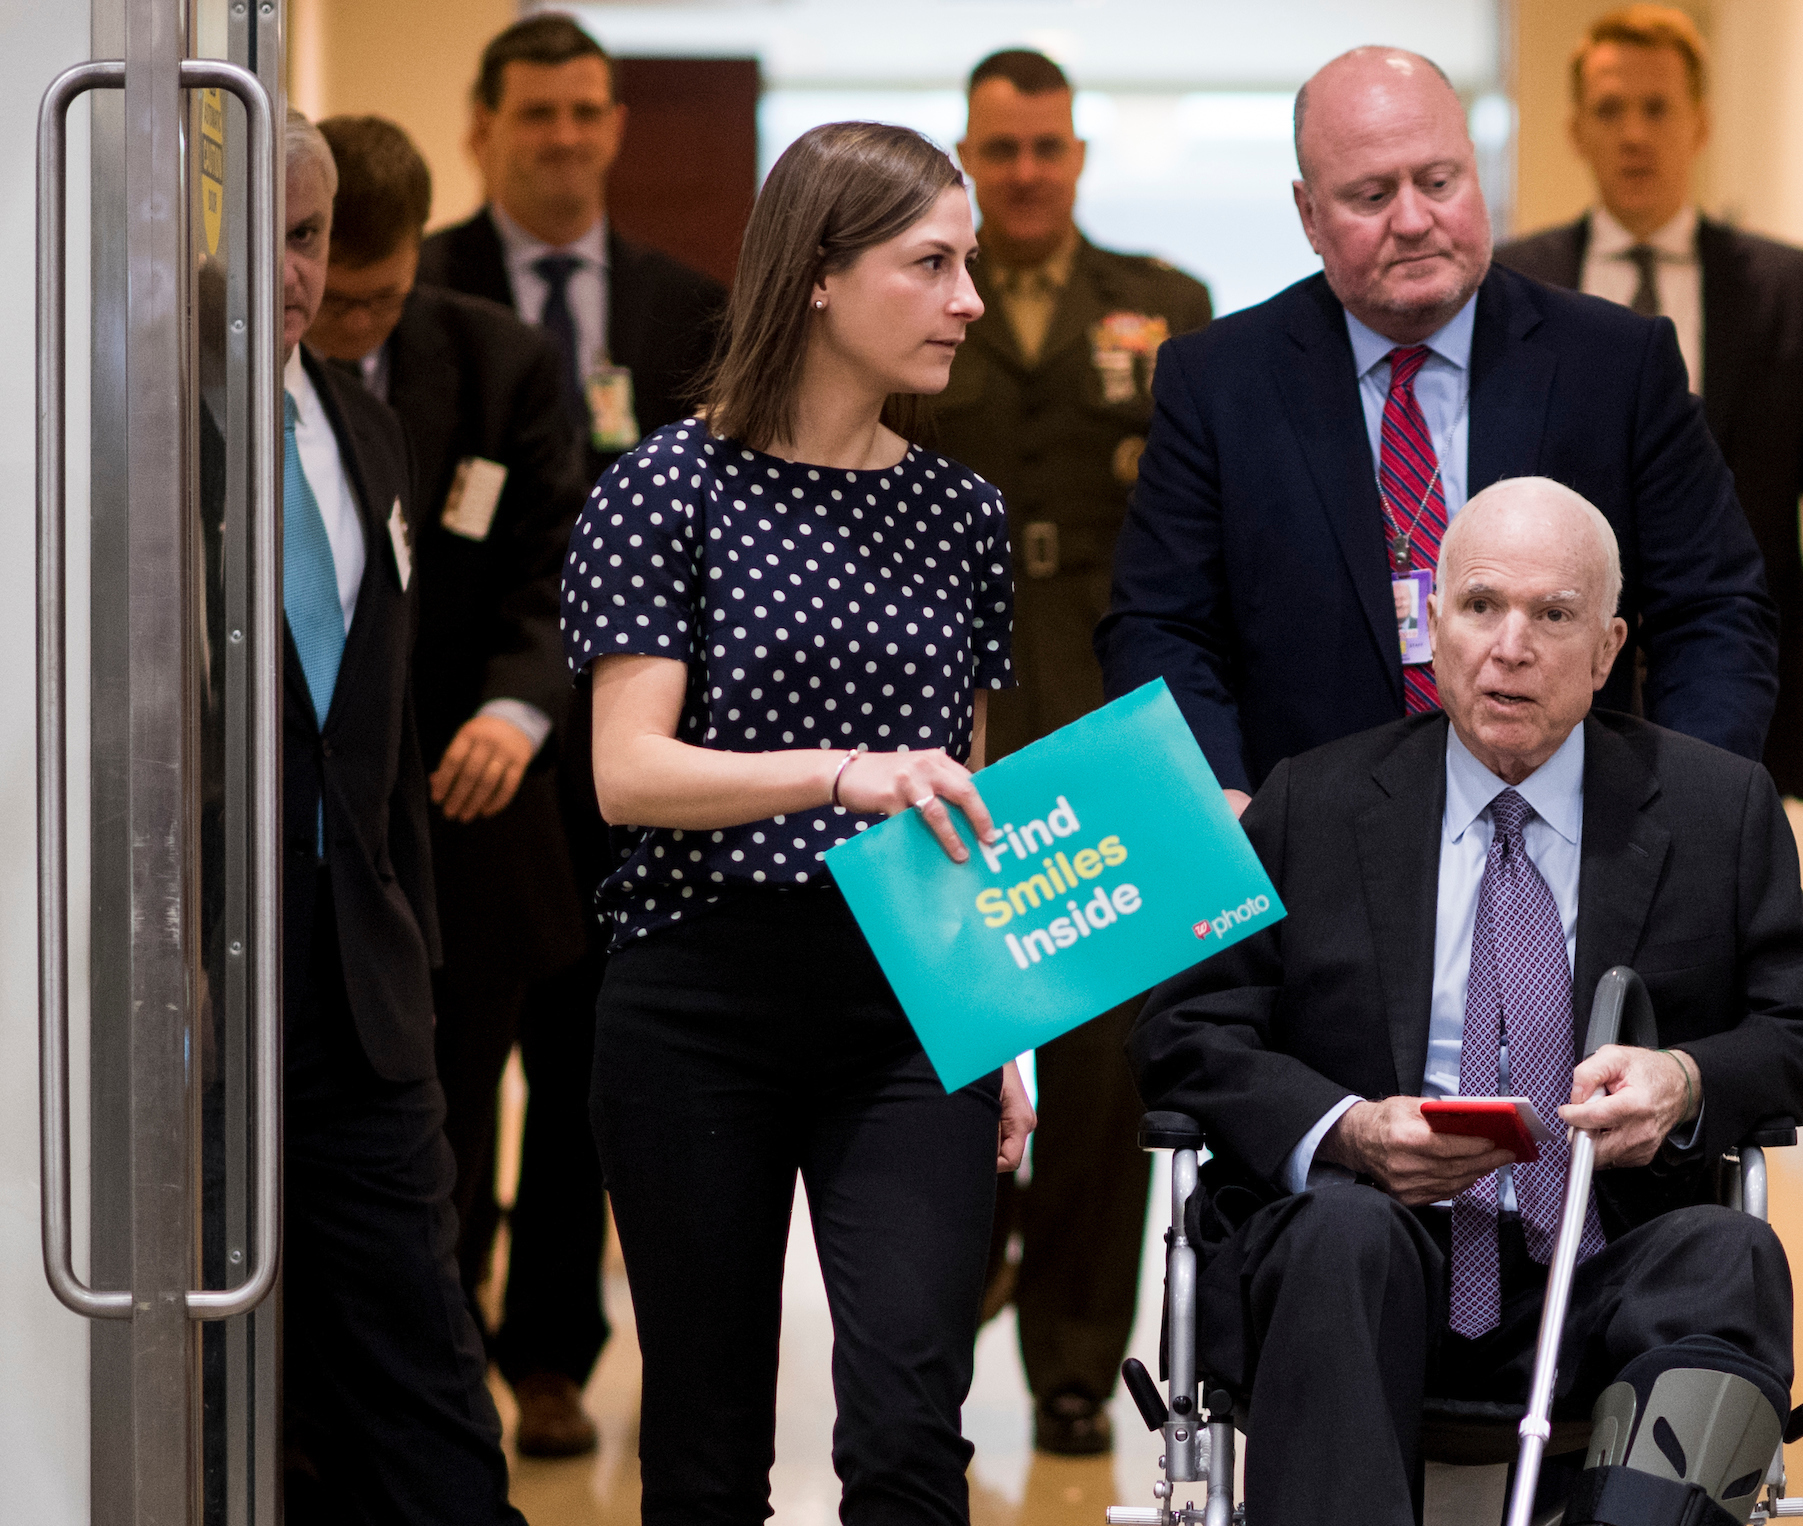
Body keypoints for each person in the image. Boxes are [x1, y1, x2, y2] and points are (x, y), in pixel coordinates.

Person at [1129, 476, 1803, 1523]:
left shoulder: (1715, 810)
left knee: (1730, 1254)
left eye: (1553, 614)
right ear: (1433, 626)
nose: (1509, 645)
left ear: (1609, 648)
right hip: (1368, 1256)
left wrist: (1684, 1078)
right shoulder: (1315, 801)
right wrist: (1347, 1129)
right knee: (1339, 1235)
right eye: (1480, 606)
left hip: (1605, 1252)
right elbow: (1186, 1031)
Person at [563, 121, 1037, 1525]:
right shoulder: (667, 486)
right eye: (933, 264)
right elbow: (627, 773)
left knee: (907, 1426)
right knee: (706, 1446)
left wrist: (999, 1005)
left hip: (907, 1004)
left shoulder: (963, 514)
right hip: (697, 994)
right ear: (820, 276)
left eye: (970, 266)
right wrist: (841, 772)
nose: (970, 300)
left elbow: (964, 796)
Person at [1098, 46, 1780, 813]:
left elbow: (1715, 609)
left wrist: (1690, 810)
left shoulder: (1616, 367)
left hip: (1576, 837)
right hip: (1310, 854)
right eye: (1371, 195)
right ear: (1308, 214)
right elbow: (1160, 629)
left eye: (1439, 182)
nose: (1415, 220)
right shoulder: (1219, 383)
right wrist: (1220, 804)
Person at [417, 12, 729, 1451]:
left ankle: (548, 1353)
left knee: (593, 1067)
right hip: (468, 760)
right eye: (535, 112)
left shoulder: (685, 308)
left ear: (614, 125)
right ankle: (436, 1348)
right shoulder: (417, 291)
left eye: (585, 110)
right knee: (449, 1069)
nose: (563, 136)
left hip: (642, 767)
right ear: (483, 128)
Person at [932, 46, 1211, 1457]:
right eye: (1002, 148)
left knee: (1105, 1056)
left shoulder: (1163, 309)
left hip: (1113, 712)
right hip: (953, 716)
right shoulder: (919, 294)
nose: (1027, 171)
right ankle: (945, 1305)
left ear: (1080, 156)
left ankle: (1077, 1357)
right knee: (959, 1023)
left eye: (1047, 146)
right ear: (969, 157)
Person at [302, 112, 591, 1406]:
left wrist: (518, 712)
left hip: (468, 827)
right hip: (307, 843)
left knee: (454, 1125)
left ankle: (459, 1377)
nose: (349, 318)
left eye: (378, 294)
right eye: (329, 290)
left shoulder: (500, 364)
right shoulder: (248, 368)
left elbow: (557, 569)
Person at [272, 109, 525, 1526]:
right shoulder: (117, 436)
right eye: (265, 235)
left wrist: (410, 947)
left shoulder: (364, 426)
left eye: (311, 238)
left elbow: (380, 729)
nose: (297, 274)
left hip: (364, 998)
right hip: (190, 1001)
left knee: (429, 1375)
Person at [1494, 5, 1803, 802]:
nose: (1635, 134)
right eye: (1611, 110)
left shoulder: (1794, 291)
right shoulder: (1516, 288)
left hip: (1742, 677)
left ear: (1701, 124)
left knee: (1726, 912)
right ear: (1576, 129)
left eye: (1658, 108)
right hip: (1550, 683)